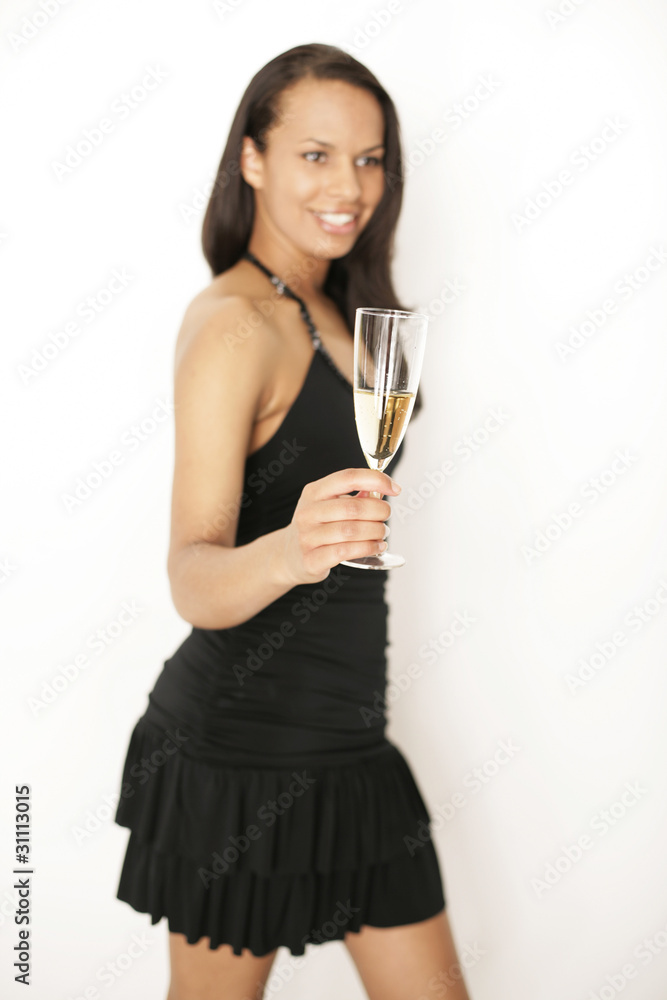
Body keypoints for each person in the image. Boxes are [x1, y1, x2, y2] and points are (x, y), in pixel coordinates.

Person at [113, 42, 471, 1000]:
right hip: (238, 756)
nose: (348, 186)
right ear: (252, 159)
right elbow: (191, 576)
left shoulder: (336, 300)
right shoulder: (234, 322)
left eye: (369, 158)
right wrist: (289, 550)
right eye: (315, 154)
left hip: (352, 748)